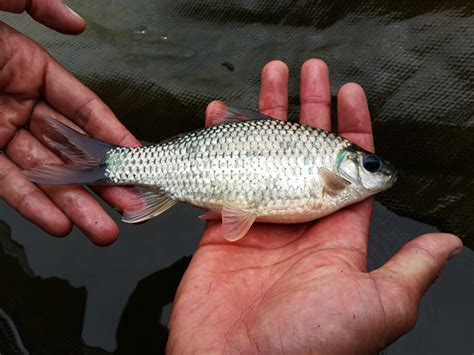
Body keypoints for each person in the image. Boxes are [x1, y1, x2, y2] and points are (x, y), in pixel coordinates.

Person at [0, 2, 463, 354]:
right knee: (124, 163)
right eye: (370, 166)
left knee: (133, 171)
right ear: (349, 164)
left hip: (223, 181)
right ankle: (102, 164)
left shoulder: (331, 174)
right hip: (203, 172)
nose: (377, 173)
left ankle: (94, 165)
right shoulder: (334, 176)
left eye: (374, 167)